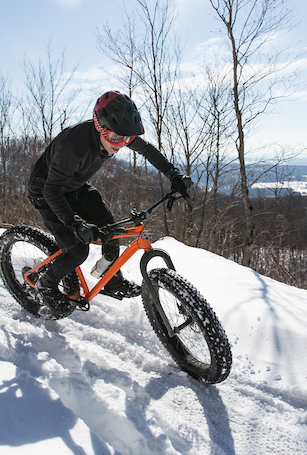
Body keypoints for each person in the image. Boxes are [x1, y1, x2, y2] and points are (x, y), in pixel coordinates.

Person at [27, 90, 192, 315]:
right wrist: (76, 224)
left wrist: (173, 174)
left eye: (125, 139)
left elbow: (147, 150)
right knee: (77, 251)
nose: (120, 144)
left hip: (75, 186)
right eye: (115, 138)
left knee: (112, 232)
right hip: (47, 193)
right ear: (100, 128)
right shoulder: (73, 146)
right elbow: (51, 190)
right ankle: (45, 286)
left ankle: (111, 282)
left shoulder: (116, 134)